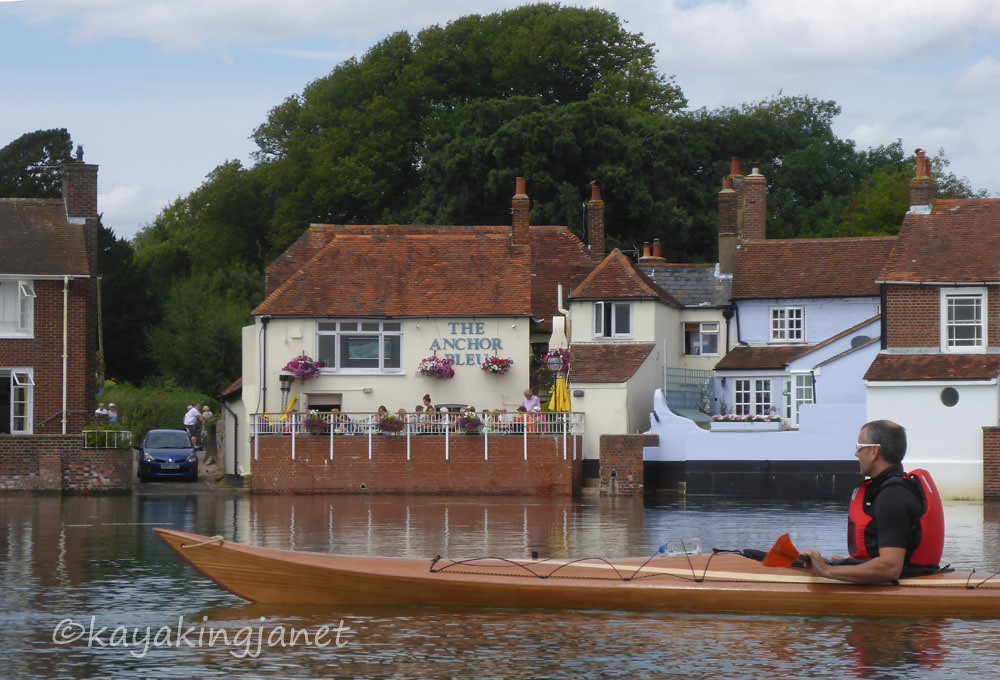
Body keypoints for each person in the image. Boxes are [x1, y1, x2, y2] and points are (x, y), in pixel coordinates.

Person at [800, 420, 945, 584]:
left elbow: (890, 568)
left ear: (874, 451)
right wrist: (850, 565)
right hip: (912, 573)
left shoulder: (892, 496)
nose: (856, 454)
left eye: (859, 447)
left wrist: (827, 570)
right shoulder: (894, 489)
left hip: (903, 584)